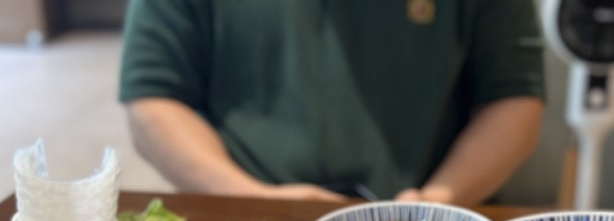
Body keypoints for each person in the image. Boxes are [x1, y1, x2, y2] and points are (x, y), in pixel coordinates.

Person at [118, 0, 545, 205]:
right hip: (249, 220)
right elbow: (154, 100)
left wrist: (438, 203)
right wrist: (253, 199)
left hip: (426, 220)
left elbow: (514, 97)